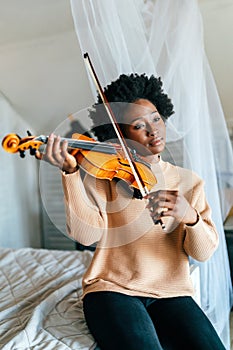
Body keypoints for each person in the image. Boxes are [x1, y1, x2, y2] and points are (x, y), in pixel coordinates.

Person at [37, 74, 226, 349]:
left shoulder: (189, 182)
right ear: (121, 135)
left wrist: (190, 216)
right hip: (112, 290)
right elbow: (86, 235)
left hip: (172, 293)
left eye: (156, 118)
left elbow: (204, 252)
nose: (153, 130)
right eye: (139, 125)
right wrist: (70, 173)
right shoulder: (104, 175)